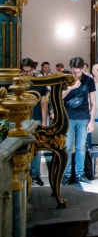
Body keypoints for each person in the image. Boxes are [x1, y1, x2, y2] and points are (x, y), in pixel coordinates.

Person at [62, 57, 96, 185]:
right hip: (68, 117)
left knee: (81, 147)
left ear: (83, 68)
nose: (75, 74)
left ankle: (80, 174)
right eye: (73, 71)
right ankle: (67, 174)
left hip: (83, 117)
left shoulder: (89, 81)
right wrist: (70, 88)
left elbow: (93, 102)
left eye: (78, 71)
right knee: (67, 146)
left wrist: (92, 120)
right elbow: (58, 97)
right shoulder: (66, 79)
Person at [22, 58, 48, 186]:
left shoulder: (39, 83)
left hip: (36, 117)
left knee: (36, 148)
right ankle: (24, 174)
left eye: (29, 71)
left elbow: (43, 103)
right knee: (22, 148)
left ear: (33, 70)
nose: (27, 74)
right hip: (21, 119)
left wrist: (44, 120)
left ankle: (35, 174)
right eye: (24, 72)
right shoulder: (19, 83)